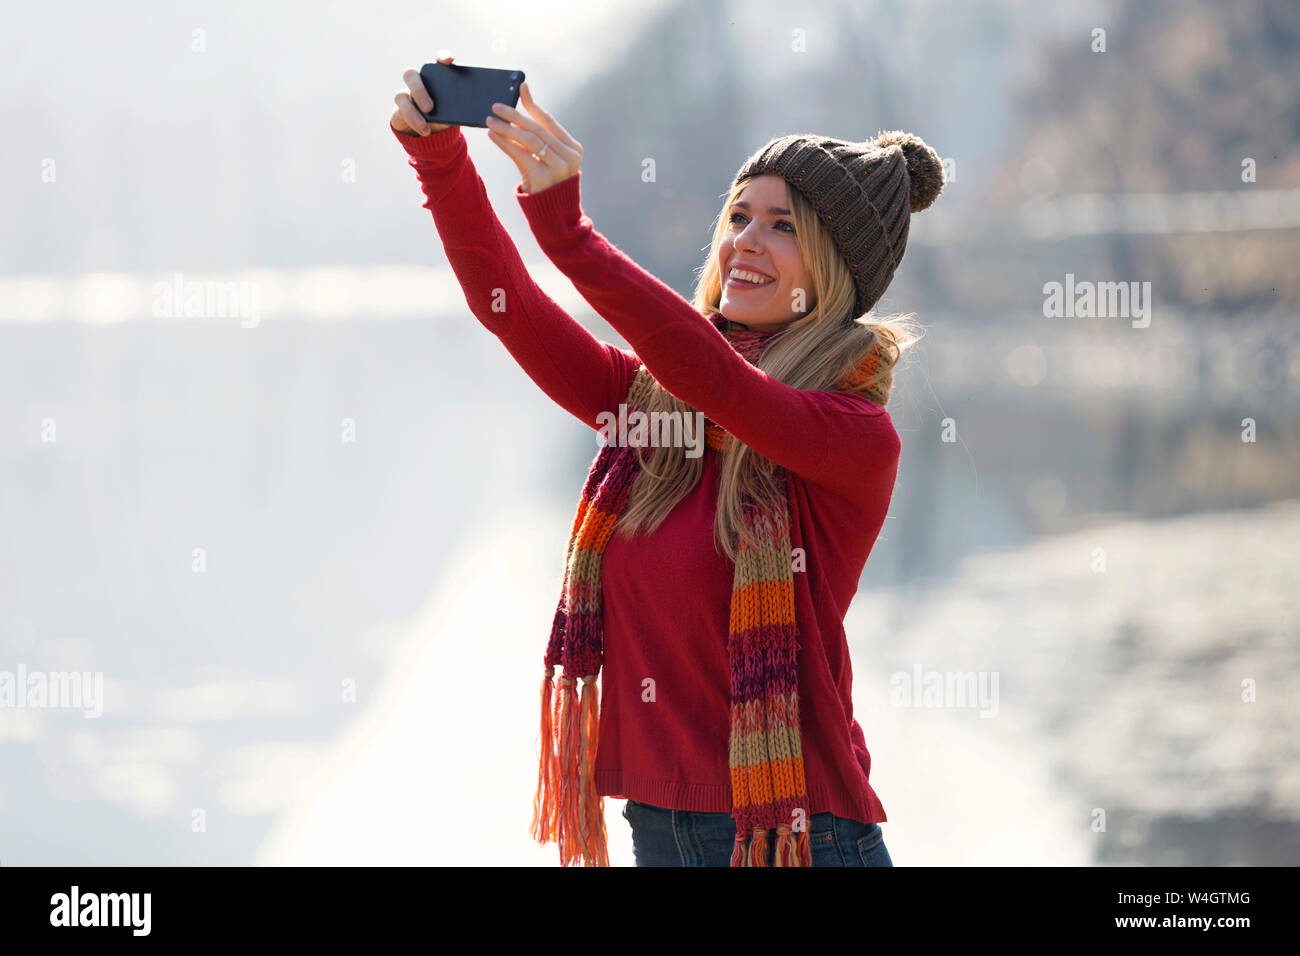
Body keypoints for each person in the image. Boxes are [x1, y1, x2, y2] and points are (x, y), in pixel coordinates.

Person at [390, 52, 944, 866]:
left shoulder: (849, 434)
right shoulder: (658, 414)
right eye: (739, 216)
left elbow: (722, 383)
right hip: (659, 831)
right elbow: (507, 308)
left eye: (784, 225)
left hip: (800, 839)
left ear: (834, 273)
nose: (745, 243)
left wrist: (570, 235)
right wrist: (437, 158)